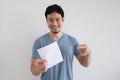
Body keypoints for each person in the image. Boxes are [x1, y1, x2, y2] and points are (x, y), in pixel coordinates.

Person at [31, 4, 91, 80]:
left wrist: (88, 54)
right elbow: (33, 70)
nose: (54, 23)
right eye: (51, 20)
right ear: (46, 21)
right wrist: (39, 68)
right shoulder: (39, 42)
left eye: (57, 19)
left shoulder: (72, 41)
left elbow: (85, 64)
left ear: (63, 20)